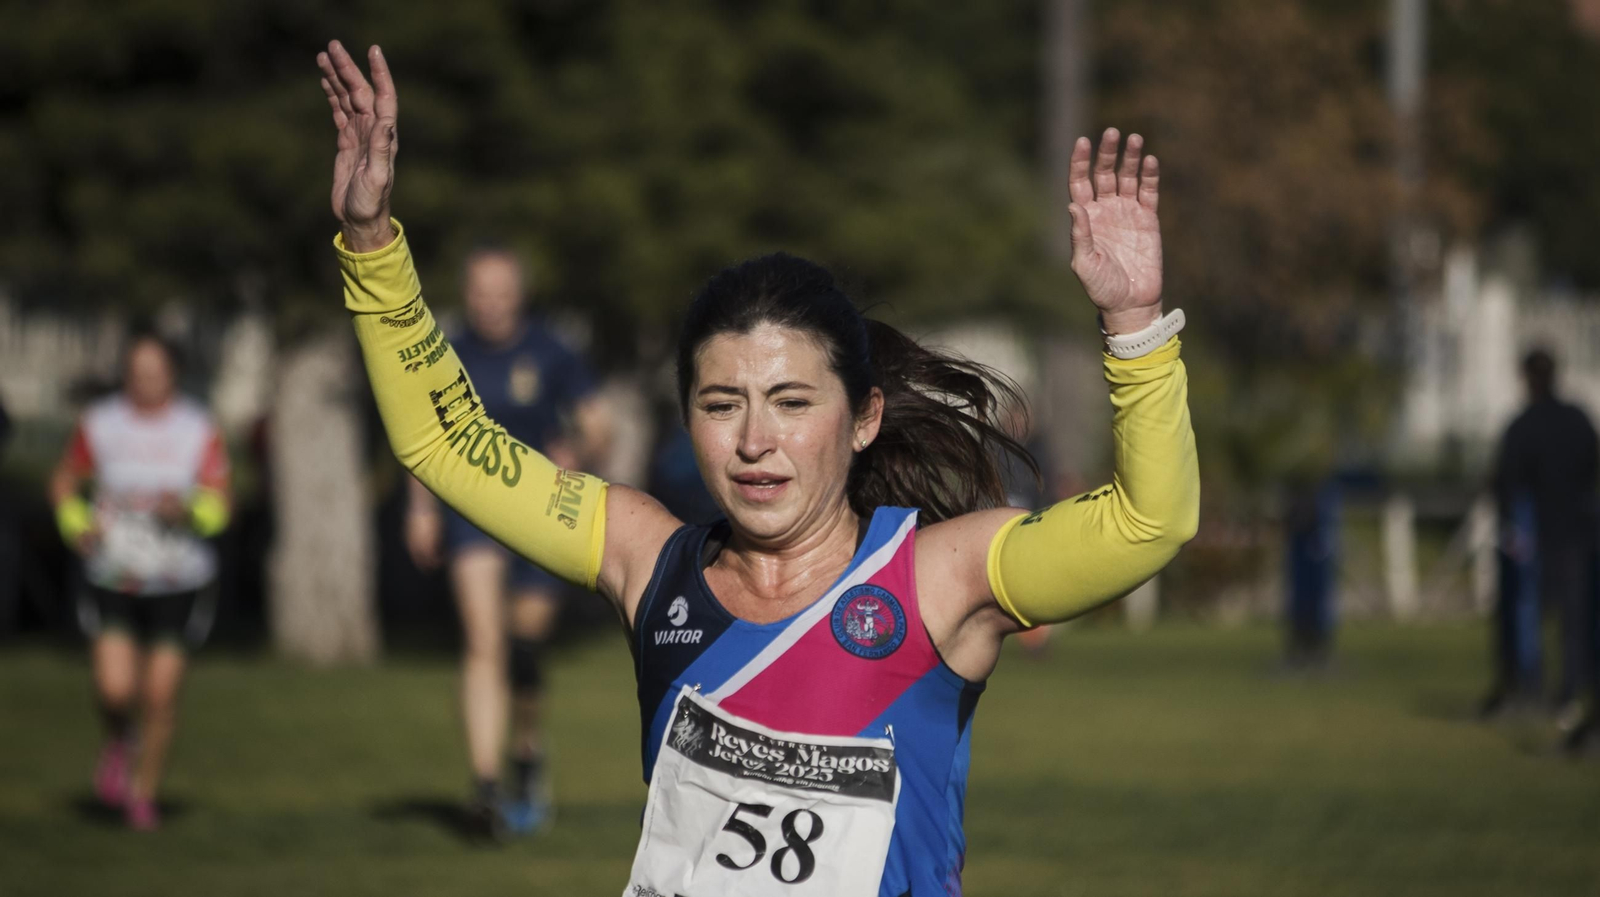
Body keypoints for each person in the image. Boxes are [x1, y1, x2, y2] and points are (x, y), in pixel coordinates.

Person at [318, 40, 1197, 894]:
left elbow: (1149, 523)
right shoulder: (646, 559)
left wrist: (1136, 324)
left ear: (863, 420)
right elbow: (446, 442)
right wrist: (371, 242)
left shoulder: (939, 577)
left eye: (792, 401)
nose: (753, 440)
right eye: (720, 403)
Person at [403, 242, 611, 836]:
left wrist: (579, 452)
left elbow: (599, 426)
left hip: (540, 512)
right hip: (470, 512)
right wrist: (420, 509)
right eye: (480, 292)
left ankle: (526, 749)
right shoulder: (446, 353)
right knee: (482, 641)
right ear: (467, 294)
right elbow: (423, 437)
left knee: (523, 648)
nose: (490, 304)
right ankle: (486, 785)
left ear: (519, 294)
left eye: (502, 292)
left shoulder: (552, 351)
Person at [49, 332, 231, 831]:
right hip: (113, 573)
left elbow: (220, 504)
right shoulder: (101, 423)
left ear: (172, 373)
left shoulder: (196, 427)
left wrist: (189, 510)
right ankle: (118, 737)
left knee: (159, 694)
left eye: (156, 371)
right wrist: (76, 524)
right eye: (137, 371)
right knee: (114, 688)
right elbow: (64, 479)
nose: (146, 381)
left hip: (178, 579)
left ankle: (142, 795)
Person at [1487, 349, 1599, 736]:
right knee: (1575, 622)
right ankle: (1569, 693)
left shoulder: (1523, 426)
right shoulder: (1578, 420)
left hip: (1536, 538)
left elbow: (1505, 484)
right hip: (1578, 535)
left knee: (1527, 615)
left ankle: (1528, 687)